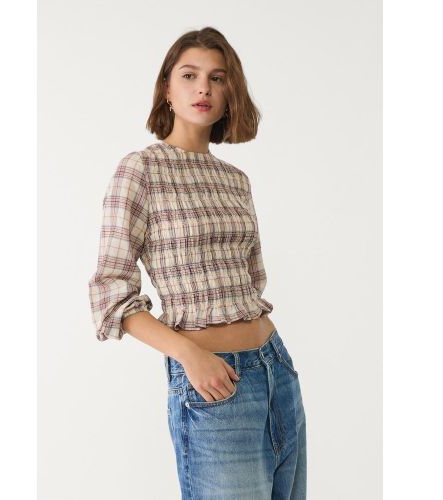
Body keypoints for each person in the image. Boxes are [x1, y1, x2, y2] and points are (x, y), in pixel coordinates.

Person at [88, 26, 307, 500]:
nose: (203, 88)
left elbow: (251, 281)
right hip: (213, 386)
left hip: (276, 370)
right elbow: (111, 293)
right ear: (167, 89)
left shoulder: (235, 180)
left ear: (230, 94)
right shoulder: (141, 170)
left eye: (217, 78)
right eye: (189, 75)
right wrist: (189, 356)